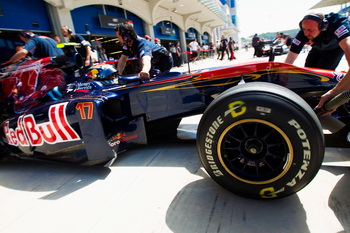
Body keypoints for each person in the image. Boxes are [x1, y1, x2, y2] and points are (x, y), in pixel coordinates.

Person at [282, 13, 350, 111]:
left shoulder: (338, 24)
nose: (306, 33)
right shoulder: (304, 32)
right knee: (308, 74)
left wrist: (336, 92)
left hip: (335, 49)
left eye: (310, 30)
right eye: (304, 29)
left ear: (323, 27)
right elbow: (289, 59)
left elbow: (348, 45)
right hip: (317, 49)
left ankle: (326, 100)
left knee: (323, 75)